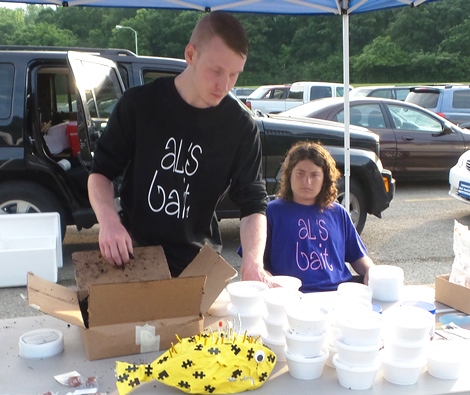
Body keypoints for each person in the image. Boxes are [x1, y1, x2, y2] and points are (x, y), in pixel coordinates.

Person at [88, 11, 270, 281]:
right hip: (134, 255)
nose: (225, 85)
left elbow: (254, 202)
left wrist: (253, 262)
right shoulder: (139, 105)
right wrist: (109, 222)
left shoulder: (241, 126)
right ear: (190, 54)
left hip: (199, 264)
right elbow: (100, 172)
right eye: (216, 70)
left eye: (234, 74)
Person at [263, 141, 374, 292]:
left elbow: (358, 257)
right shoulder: (271, 213)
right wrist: (269, 281)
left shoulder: (338, 213)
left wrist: (371, 272)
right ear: (289, 175)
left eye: (314, 175)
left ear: (325, 179)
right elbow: (257, 264)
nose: (307, 181)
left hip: (338, 293)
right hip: (291, 295)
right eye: (300, 173)